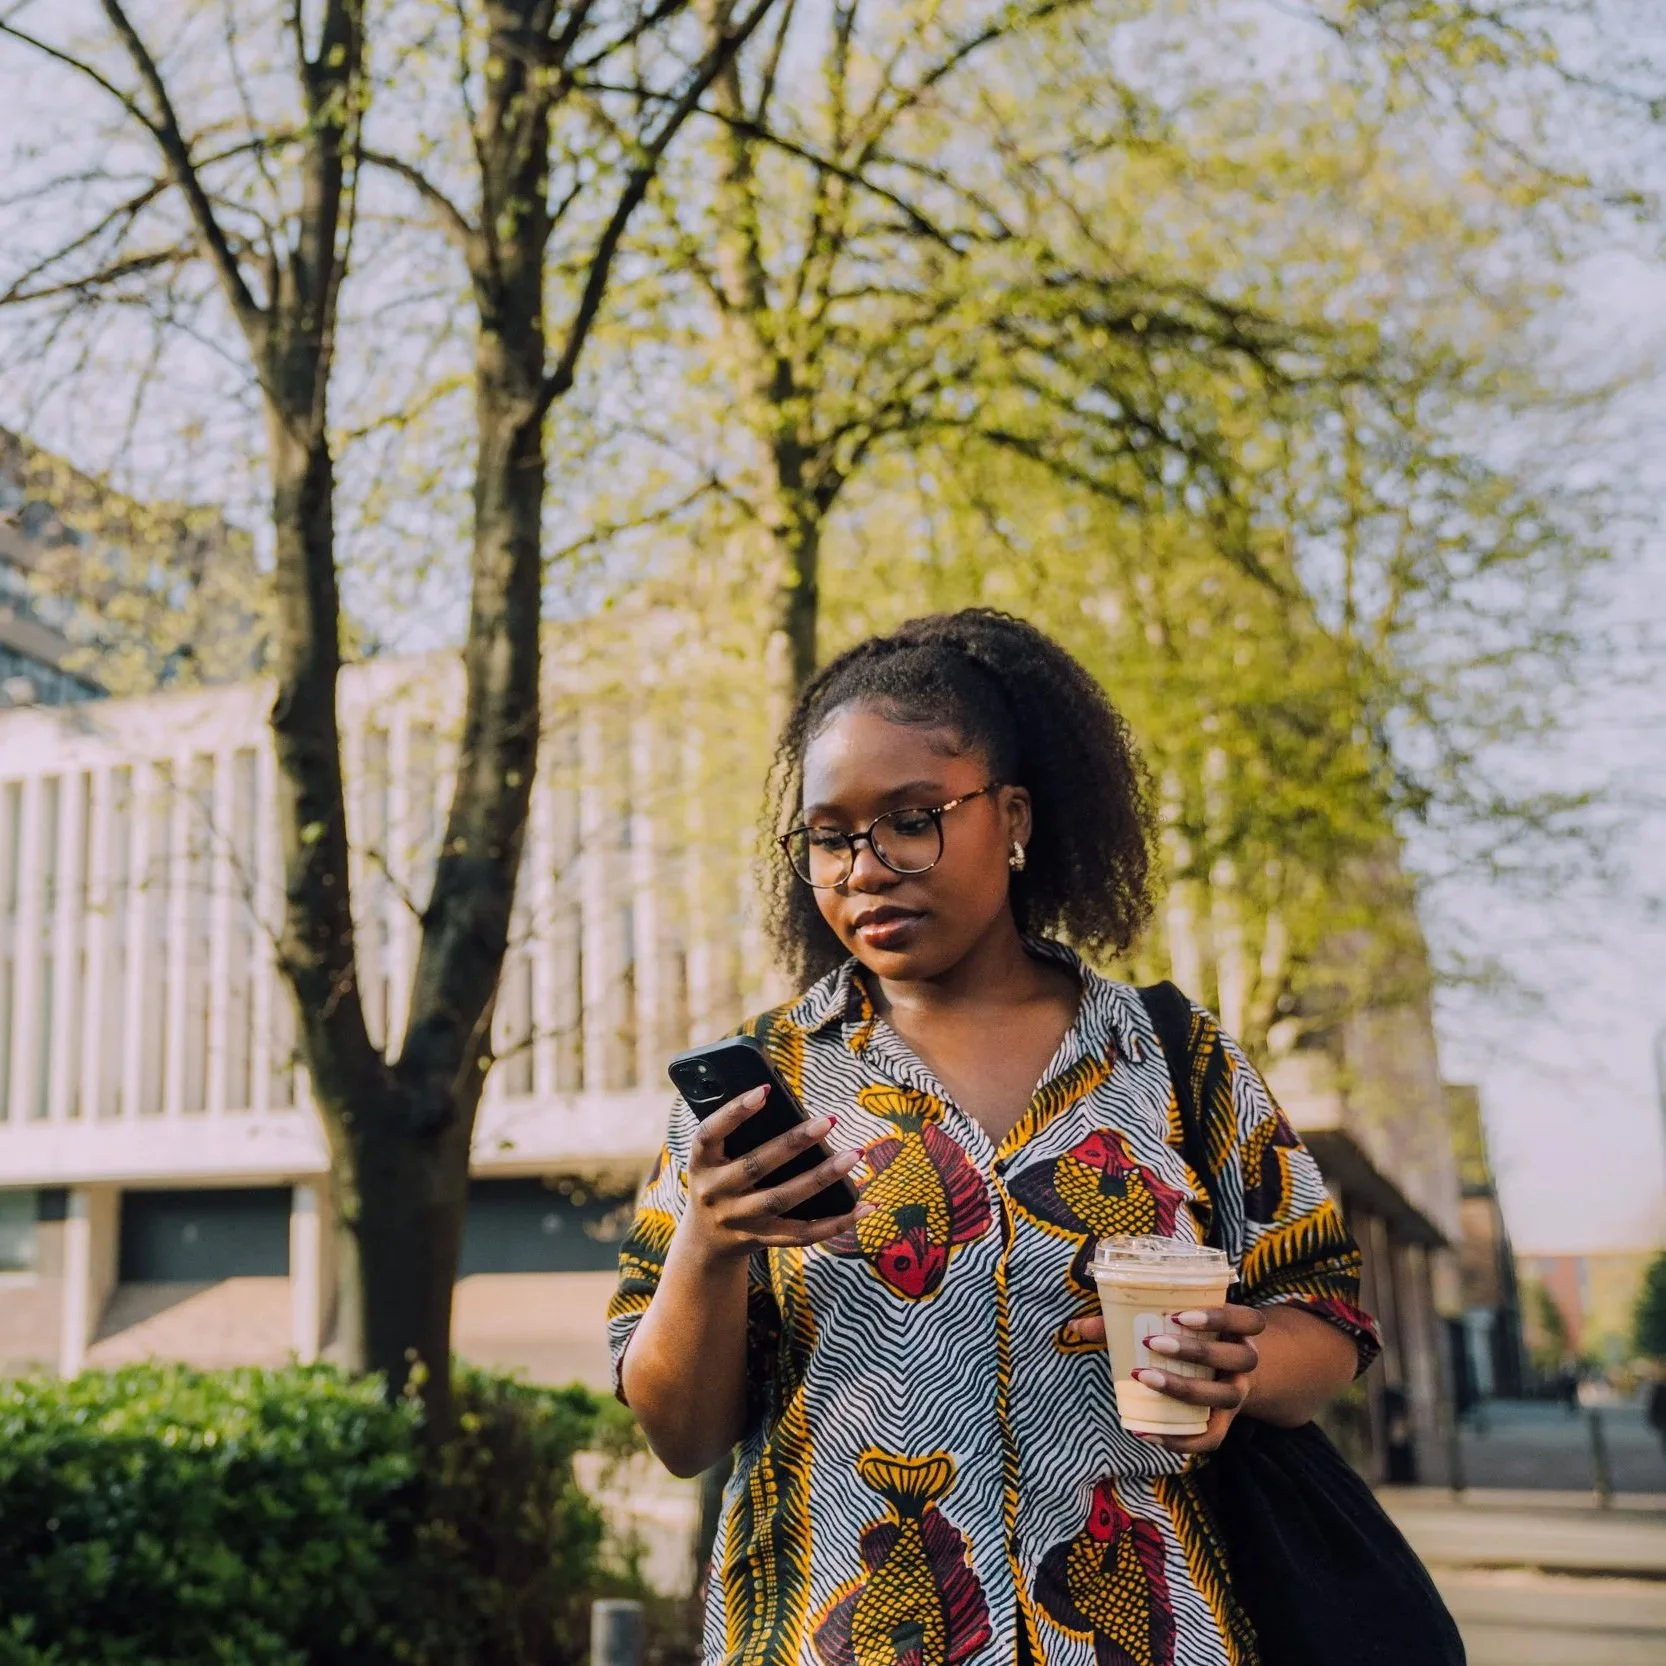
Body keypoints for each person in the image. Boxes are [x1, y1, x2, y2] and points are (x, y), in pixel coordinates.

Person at [609, 610, 1381, 1666]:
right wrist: (708, 1241)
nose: (865, 865)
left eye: (912, 817)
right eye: (830, 836)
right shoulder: (764, 1085)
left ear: (1010, 817)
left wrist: (1241, 1365)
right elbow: (678, 1433)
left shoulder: (1173, 1057)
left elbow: (1323, 1315)